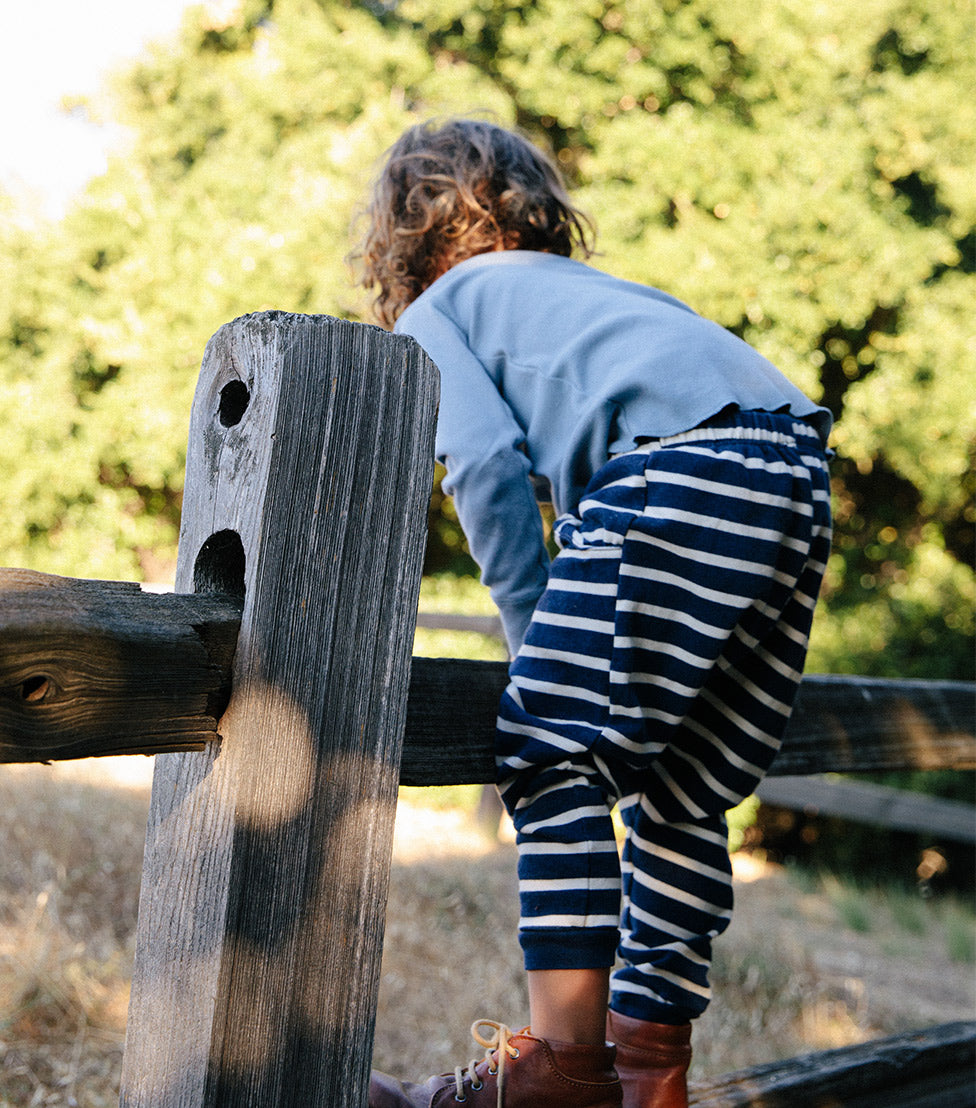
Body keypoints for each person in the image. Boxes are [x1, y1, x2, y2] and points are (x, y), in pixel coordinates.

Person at [354, 119, 833, 1108]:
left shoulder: (442, 307)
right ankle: (652, 1071)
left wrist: (533, 638)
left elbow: (483, 463)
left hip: (680, 468)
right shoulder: (595, 297)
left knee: (550, 751)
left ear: (403, 236)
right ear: (532, 207)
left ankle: (564, 1068)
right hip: (792, 467)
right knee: (688, 792)